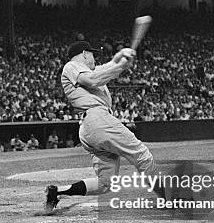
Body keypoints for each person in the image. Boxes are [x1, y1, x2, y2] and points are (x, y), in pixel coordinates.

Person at [44, 35, 167, 213]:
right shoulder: (72, 66)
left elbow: (104, 70)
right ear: (84, 54)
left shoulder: (86, 71)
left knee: (106, 183)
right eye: (92, 54)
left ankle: (57, 192)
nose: (94, 58)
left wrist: (120, 58)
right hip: (97, 120)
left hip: (90, 127)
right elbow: (94, 79)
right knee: (141, 154)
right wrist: (119, 65)